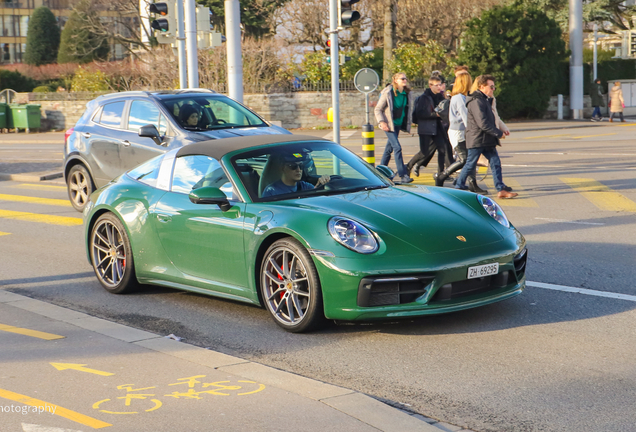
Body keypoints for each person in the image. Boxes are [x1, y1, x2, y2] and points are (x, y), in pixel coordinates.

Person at [455, 74, 517, 199]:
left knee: (495, 163)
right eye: (491, 87)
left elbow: (493, 118)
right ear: (482, 86)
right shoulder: (476, 101)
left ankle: (501, 189)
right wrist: (498, 133)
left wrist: (500, 129)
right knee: (470, 164)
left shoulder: (485, 99)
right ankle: (458, 187)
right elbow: (482, 123)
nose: (493, 89)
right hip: (478, 139)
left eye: (494, 87)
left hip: (486, 139)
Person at [434, 71, 487, 194]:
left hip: (463, 132)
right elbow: (466, 117)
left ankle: (472, 183)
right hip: (458, 132)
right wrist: (476, 131)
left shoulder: (462, 97)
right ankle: (442, 175)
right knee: (464, 159)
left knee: (471, 158)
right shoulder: (459, 98)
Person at [406, 75, 448, 185]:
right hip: (426, 128)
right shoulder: (424, 98)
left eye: (440, 85)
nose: (439, 87)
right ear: (430, 85)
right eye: (437, 85)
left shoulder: (440, 97)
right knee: (424, 152)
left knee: (442, 150)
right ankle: (408, 166)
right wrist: (435, 114)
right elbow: (420, 114)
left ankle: (440, 175)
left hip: (438, 128)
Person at [374, 72, 414, 183]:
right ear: (395, 80)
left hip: (398, 124)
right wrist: (382, 122)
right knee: (397, 147)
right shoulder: (388, 92)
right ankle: (403, 175)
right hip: (389, 125)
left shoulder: (406, 93)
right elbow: (378, 109)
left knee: (389, 149)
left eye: (405, 78)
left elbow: (407, 109)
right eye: (402, 79)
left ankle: (380, 172)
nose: (405, 80)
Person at [262, 154, 331, 197]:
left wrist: (321, 185)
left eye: (301, 166)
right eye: (293, 166)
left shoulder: (306, 186)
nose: (298, 170)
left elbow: (316, 200)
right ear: (283, 168)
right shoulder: (271, 191)